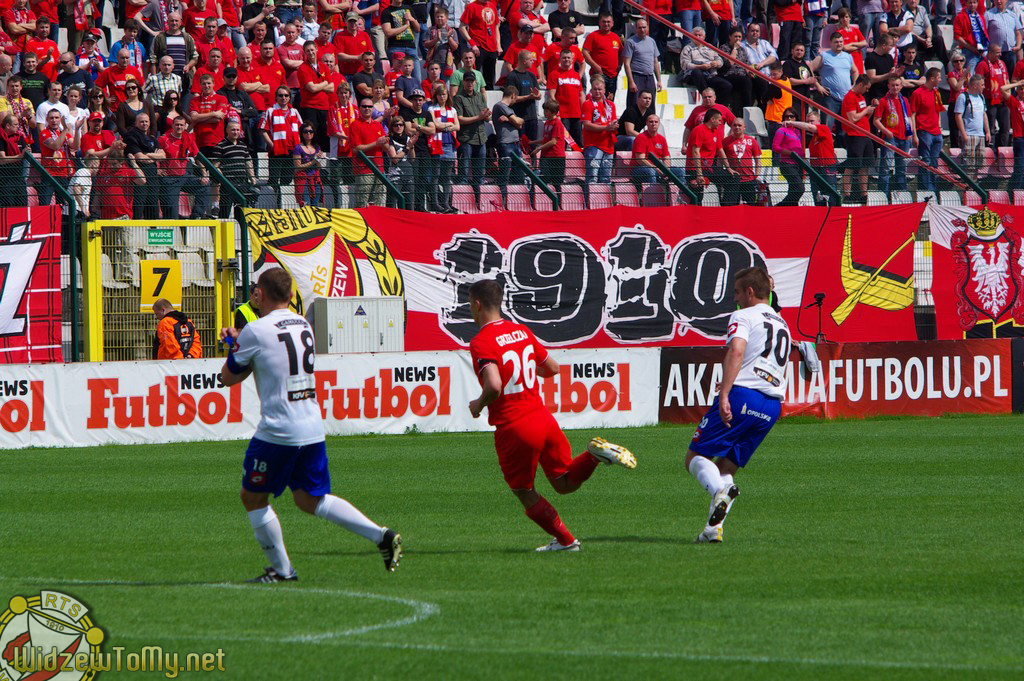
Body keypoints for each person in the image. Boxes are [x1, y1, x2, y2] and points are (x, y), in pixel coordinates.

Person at [220, 267, 402, 582]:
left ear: (260, 294)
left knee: (253, 498)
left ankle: (281, 570)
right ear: (291, 296)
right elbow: (272, 355)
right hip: (311, 425)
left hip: (279, 429)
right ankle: (381, 536)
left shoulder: (255, 330)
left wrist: (235, 345)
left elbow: (229, 377)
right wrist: (245, 345)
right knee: (308, 499)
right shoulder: (302, 323)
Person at [466, 278, 635, 552]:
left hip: (515, 426)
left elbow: (494, 385)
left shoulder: (481, 341)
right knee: (564, 483)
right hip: (543, 419)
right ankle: (593, 455)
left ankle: (567, 541)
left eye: (469, 305)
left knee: (523, 490)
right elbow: (552, 368)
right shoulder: (521, 331)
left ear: (477, 304)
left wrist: (478, 404)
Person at [684, 266, 789, 544]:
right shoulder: (781, 322)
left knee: (694, 458)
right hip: (771, 407)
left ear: (750, 291)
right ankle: (711, 531)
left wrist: (725, 393)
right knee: (727, 467)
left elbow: (737, 350)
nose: (735, 298)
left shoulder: (743, 315)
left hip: (745, 397)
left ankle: (719, 490)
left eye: (738, 292)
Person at [873, 77, 915, 198]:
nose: (895, 87)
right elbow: (876, 121)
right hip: (890, 138)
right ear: (888, 86)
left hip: (904, 138)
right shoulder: (884, 101)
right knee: (886, 168)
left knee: (902, 168)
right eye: (892, 85)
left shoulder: (905, 100)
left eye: (897, 85)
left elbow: (909, 117)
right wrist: (886, 131)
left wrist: (910, 132)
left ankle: (902, 195)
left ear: (901, 86)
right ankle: (883, 195)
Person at [840, 74, 876, 202]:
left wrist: (869, 112)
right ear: (860, 84)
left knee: (864, 166)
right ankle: (847, 194)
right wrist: (866, 111)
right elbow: (852, 118)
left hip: (865, 133)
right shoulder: (849, 97)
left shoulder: (861, 97)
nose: (867, 91)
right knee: (852, 165)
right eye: (866, 88)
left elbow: (862, 118)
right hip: (855, 135)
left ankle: (863, 194)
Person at [454, 70, 489, 199]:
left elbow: (485, 115)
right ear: (463, 82)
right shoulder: (458, 98)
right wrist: (479, 117)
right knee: (463, 174)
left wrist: (486, 116)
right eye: (467, 80)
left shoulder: (480, 96)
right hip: (466, 138)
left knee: (480, 175)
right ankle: (463, 201)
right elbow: (460, 119)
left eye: (471, 81)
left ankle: (480, 201)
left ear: (475, 82)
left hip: (481, 137)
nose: (469, 83)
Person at [911, 67, 945, 192]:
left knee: (934, 162)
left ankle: (932, 187)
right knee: (925, 161)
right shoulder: (917, 93)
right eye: (939, 77)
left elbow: (938, 110)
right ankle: (926, 188)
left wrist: (940, 127)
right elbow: (912, 115)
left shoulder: (936, 92)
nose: (940, 80)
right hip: (924, 131)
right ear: (932, 78)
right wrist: (914, 134)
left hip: (936, 131)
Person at [678, 26, 731, 104]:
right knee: (697, 72)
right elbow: (685, 64)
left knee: (727, 85)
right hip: (693, 75)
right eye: (695, 35)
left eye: (700, 35)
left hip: (709, 74)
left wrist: (716, 63)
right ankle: (706, 98)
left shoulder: (709, 47)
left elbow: (719, 60)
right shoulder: (687, 48)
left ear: (704, 37)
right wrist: (700, 67)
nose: (697, 37)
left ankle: (718, 106)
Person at [581, 75, 617, 185]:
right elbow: (586, 125)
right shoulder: (587, 104)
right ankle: (590, 202)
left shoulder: (610, 105)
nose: (597, 91)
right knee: (592, 178)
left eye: (600, 89)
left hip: (609, 145)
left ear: (604, 90)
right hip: (594, 145)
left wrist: (614, 126)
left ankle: (604, 202)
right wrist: (606, 127)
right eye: (595, 89)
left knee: (606, 179)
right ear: (591, 90)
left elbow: (614, 121)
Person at [531, 99, 567, 204]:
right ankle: (547, 202)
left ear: (552, 111)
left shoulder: (557, 123)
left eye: (546, 111)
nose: (544, 112)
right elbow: (546, 139)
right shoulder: (547, 122)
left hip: (556, 156)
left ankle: (558, 203)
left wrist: (539, 148)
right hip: (546, 156)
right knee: (544, 179)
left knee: (557, 182)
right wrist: (533, 142)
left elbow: (553, 141)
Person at [954, 74, 991, 175]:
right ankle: (968, 187)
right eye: (982, 85)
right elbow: (958, 116)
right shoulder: (963, 97)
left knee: (979, 164)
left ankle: (975, 186)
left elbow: (984, 114)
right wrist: (963, 134)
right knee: (968, 164)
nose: (984, 87)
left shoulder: (981, 97)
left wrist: (987, 131)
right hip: (969, 134)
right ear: (975, 85)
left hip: (980, 134)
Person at [976, 43, 1011, 147]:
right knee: (990, 128)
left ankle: (1002, 150)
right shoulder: (982, 65)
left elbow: (1007, 81)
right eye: (997, 53)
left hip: (1003, 101)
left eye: (1000, 52)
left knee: (1005, 128)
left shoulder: (1002, 64)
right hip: (990, 101)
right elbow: (978, 83)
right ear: (990, 53)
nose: (1000, 54)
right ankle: (991, 152)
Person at [721, 118, 761, 206]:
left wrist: (756, 174)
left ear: (744, 127)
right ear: (731, 127)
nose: (737, 127)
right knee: (730, 206)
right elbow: (720, 160)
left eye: (739, 125)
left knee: (750, 206)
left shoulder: (752, 141)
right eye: (734, 125)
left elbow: (758, 159)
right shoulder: (725, 141)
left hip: (749, 179)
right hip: (732, 179)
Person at [622, 18, 661, 110]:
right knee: (634, 103)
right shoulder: (630, 42)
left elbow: (655, 62)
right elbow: (626, 63)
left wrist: (659, 80)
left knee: (650, 104)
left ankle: (650, 123)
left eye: (644, 27)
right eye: (640, 28)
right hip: (636, 76)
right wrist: (631, 81)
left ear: (647, 27)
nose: (642, 30)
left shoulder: (652, 41)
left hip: (650, 77)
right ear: (636, 29)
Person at [582, 12, 621, 99]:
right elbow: (585, 52)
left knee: (610, 101)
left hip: (613, 75)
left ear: (612, 23)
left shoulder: (616, 37)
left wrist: (619, 65)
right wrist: (595, 66)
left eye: (608, 22)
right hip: (599, 74)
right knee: (597, 100)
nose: (606, 24)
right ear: (599, 23)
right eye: (604, 22)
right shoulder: (593, 36)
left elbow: (621, 53)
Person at [771, 107, 804, 206]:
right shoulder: (781, 130)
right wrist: (789, 153)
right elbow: (775, 147)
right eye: (786, 116)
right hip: (787, 164)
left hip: (798, 163)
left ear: (795, 118)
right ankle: (779, 206)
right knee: (800, 188)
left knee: (793, 189)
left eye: (792, 116)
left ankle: (791, 209)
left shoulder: (797, 131)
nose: (789, 118)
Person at [630, 112, 673, 186]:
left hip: (657, 168)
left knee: (679, 171)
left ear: (659, 123)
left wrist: (666, 170)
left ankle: (678, 195)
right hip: (639, 169)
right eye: (651, 122)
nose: (653, 124)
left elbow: (667, 157)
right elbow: (640, 159)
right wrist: (658, 169)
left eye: (656, 122)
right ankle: (652, 196)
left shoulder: (662, 139)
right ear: (646, 123)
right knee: (651, 171)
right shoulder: (641, 137)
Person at [292, 123, 324, 206]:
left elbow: (318, 166)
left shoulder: (317, 147)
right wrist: (313, 161)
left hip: (315, 180)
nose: (308, 133)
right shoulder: (298, 148)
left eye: (311, 131)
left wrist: (319, 159)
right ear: (302, 133)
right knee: (305, 206)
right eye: (306, 131)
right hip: (303, 181)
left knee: (315, 206)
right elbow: (298, 167)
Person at [954, 0, 990, 73]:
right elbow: (957, 36)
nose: (972, 5)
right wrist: (971, 48)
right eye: (970, 3)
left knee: (982, 75)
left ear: (977, 4)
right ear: (966, 3)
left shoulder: (981, 17)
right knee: (970, 75)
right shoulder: (960, 17)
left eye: (974, 2)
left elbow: (985, 34)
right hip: (968, 51)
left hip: (983, 51)